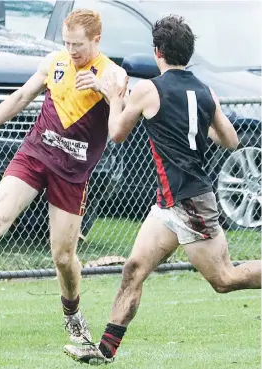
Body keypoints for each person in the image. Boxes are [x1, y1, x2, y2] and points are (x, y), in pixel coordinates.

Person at [63, 15, 262, 364]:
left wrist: (112, 96)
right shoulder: (205, 90)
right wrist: (200, 128)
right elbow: (230, 140)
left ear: (157, 52)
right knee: (134, 268)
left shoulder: (147, 89)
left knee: (224, 278)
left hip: (191, 203)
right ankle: (105, 350)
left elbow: (117, 134)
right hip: (169, 204)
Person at [0, 9, 128, 343]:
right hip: (35, 154)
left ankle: (72, 313)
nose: (72, 50)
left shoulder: (114, 75)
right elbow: (20, 98)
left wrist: (106, 91)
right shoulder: (56, 62)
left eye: (78, 44)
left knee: (63, 258)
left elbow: (118, 132)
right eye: (67, 43)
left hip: (72, 171)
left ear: (97, 39)